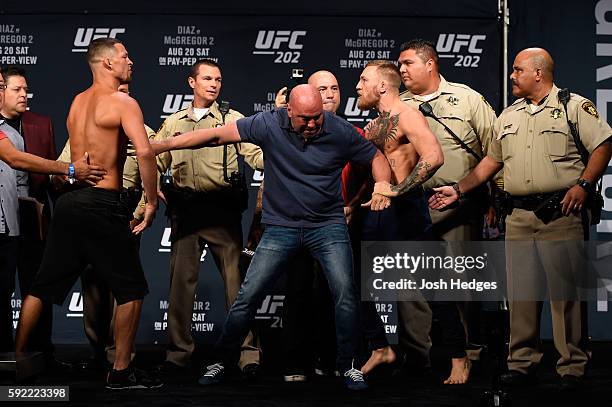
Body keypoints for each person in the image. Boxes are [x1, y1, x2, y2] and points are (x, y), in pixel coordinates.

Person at [152, 84, 393, 391]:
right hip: (280, 228)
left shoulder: (338, 129)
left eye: (316, 117)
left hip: (327, 227)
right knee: (247, 297)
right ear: (287, 111)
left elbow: (376, 157)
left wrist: (383, 184)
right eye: (304, 118)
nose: (311, 124)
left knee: (345, 295)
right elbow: (214, 135)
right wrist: (164, 146)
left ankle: (348, 366)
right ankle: (221, 362)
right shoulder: (268, 123)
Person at [428, 48, 612, 390]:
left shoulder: (573, 106)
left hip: (561, 213)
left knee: (565, 296)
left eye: (517, 70)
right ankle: (522, 362)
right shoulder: (508, 115)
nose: (512, 76)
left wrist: (585, 185)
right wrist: (459, 188)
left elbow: (603, 143)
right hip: (519, 216)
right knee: (521, 294)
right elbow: (490, 162)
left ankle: (571, 366)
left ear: (538, 74)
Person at [14, 37, 161, 390]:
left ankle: (13, 361)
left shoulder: (77, 103)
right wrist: (152, 201)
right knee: (131, 291)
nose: (130, 61)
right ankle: (121, 373)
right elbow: (144, 153)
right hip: (102, 204)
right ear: (107, 63)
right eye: (125, 56)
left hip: (70, 203)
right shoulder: (123, 102)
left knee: (41, 286)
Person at [397, 39, 498, 383]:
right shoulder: (398, 105)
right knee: (410, 282)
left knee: (458, 282)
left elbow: (495, 150)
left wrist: (489, 197)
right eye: (399, 65)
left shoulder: (467, 98)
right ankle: (417, 357)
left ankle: (467, 354)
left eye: (408, 63)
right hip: (413, 205)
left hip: (458, 203)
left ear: (430, 64)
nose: (402, 70)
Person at [154, 59, 263, 377]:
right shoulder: (173, 123)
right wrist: (150, 189)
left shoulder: (233, 119)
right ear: (192, 83)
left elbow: (257, 155)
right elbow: (156, 160)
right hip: (186, 212)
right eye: (207, 78)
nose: (214, 84)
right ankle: (178, 355)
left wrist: (279, 156)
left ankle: (248, 354)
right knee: (180, 288)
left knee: (237, 287)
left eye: (218, 79)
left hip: (222, 211)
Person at [53, 83, 156, 369]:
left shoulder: (143, 132)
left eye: (124, 90)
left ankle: (120, 358)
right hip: (88, 214)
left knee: (126, 291)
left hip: (122, 217)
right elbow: (61, 170)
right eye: (115, 90)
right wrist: (72, 175)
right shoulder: (84, 133)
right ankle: (97, 352)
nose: (118, 95)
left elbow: (153, 175)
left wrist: (136, 213)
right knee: (94, 291)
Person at [353, 60, 444, 377]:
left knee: (421, 288)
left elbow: (434, 156)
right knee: (356, 282)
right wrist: (353, 203)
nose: (357, 86)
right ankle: (382, 347)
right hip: (377, 209)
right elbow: (372, 172)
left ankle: (440, 358)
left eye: (363, 80)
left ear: (381, 85)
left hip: (406, 208)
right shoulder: (375, 123)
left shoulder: (408, 114)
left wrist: (398, 189)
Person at [1, 65, 59, 359]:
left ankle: (39, 353)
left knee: (37, 286)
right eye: (17, 89)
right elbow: (13, 159)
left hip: (32, 217)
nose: (24, 95)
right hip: (3, 217)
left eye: (26, 89)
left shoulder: (40, 123)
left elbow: (50, 178)